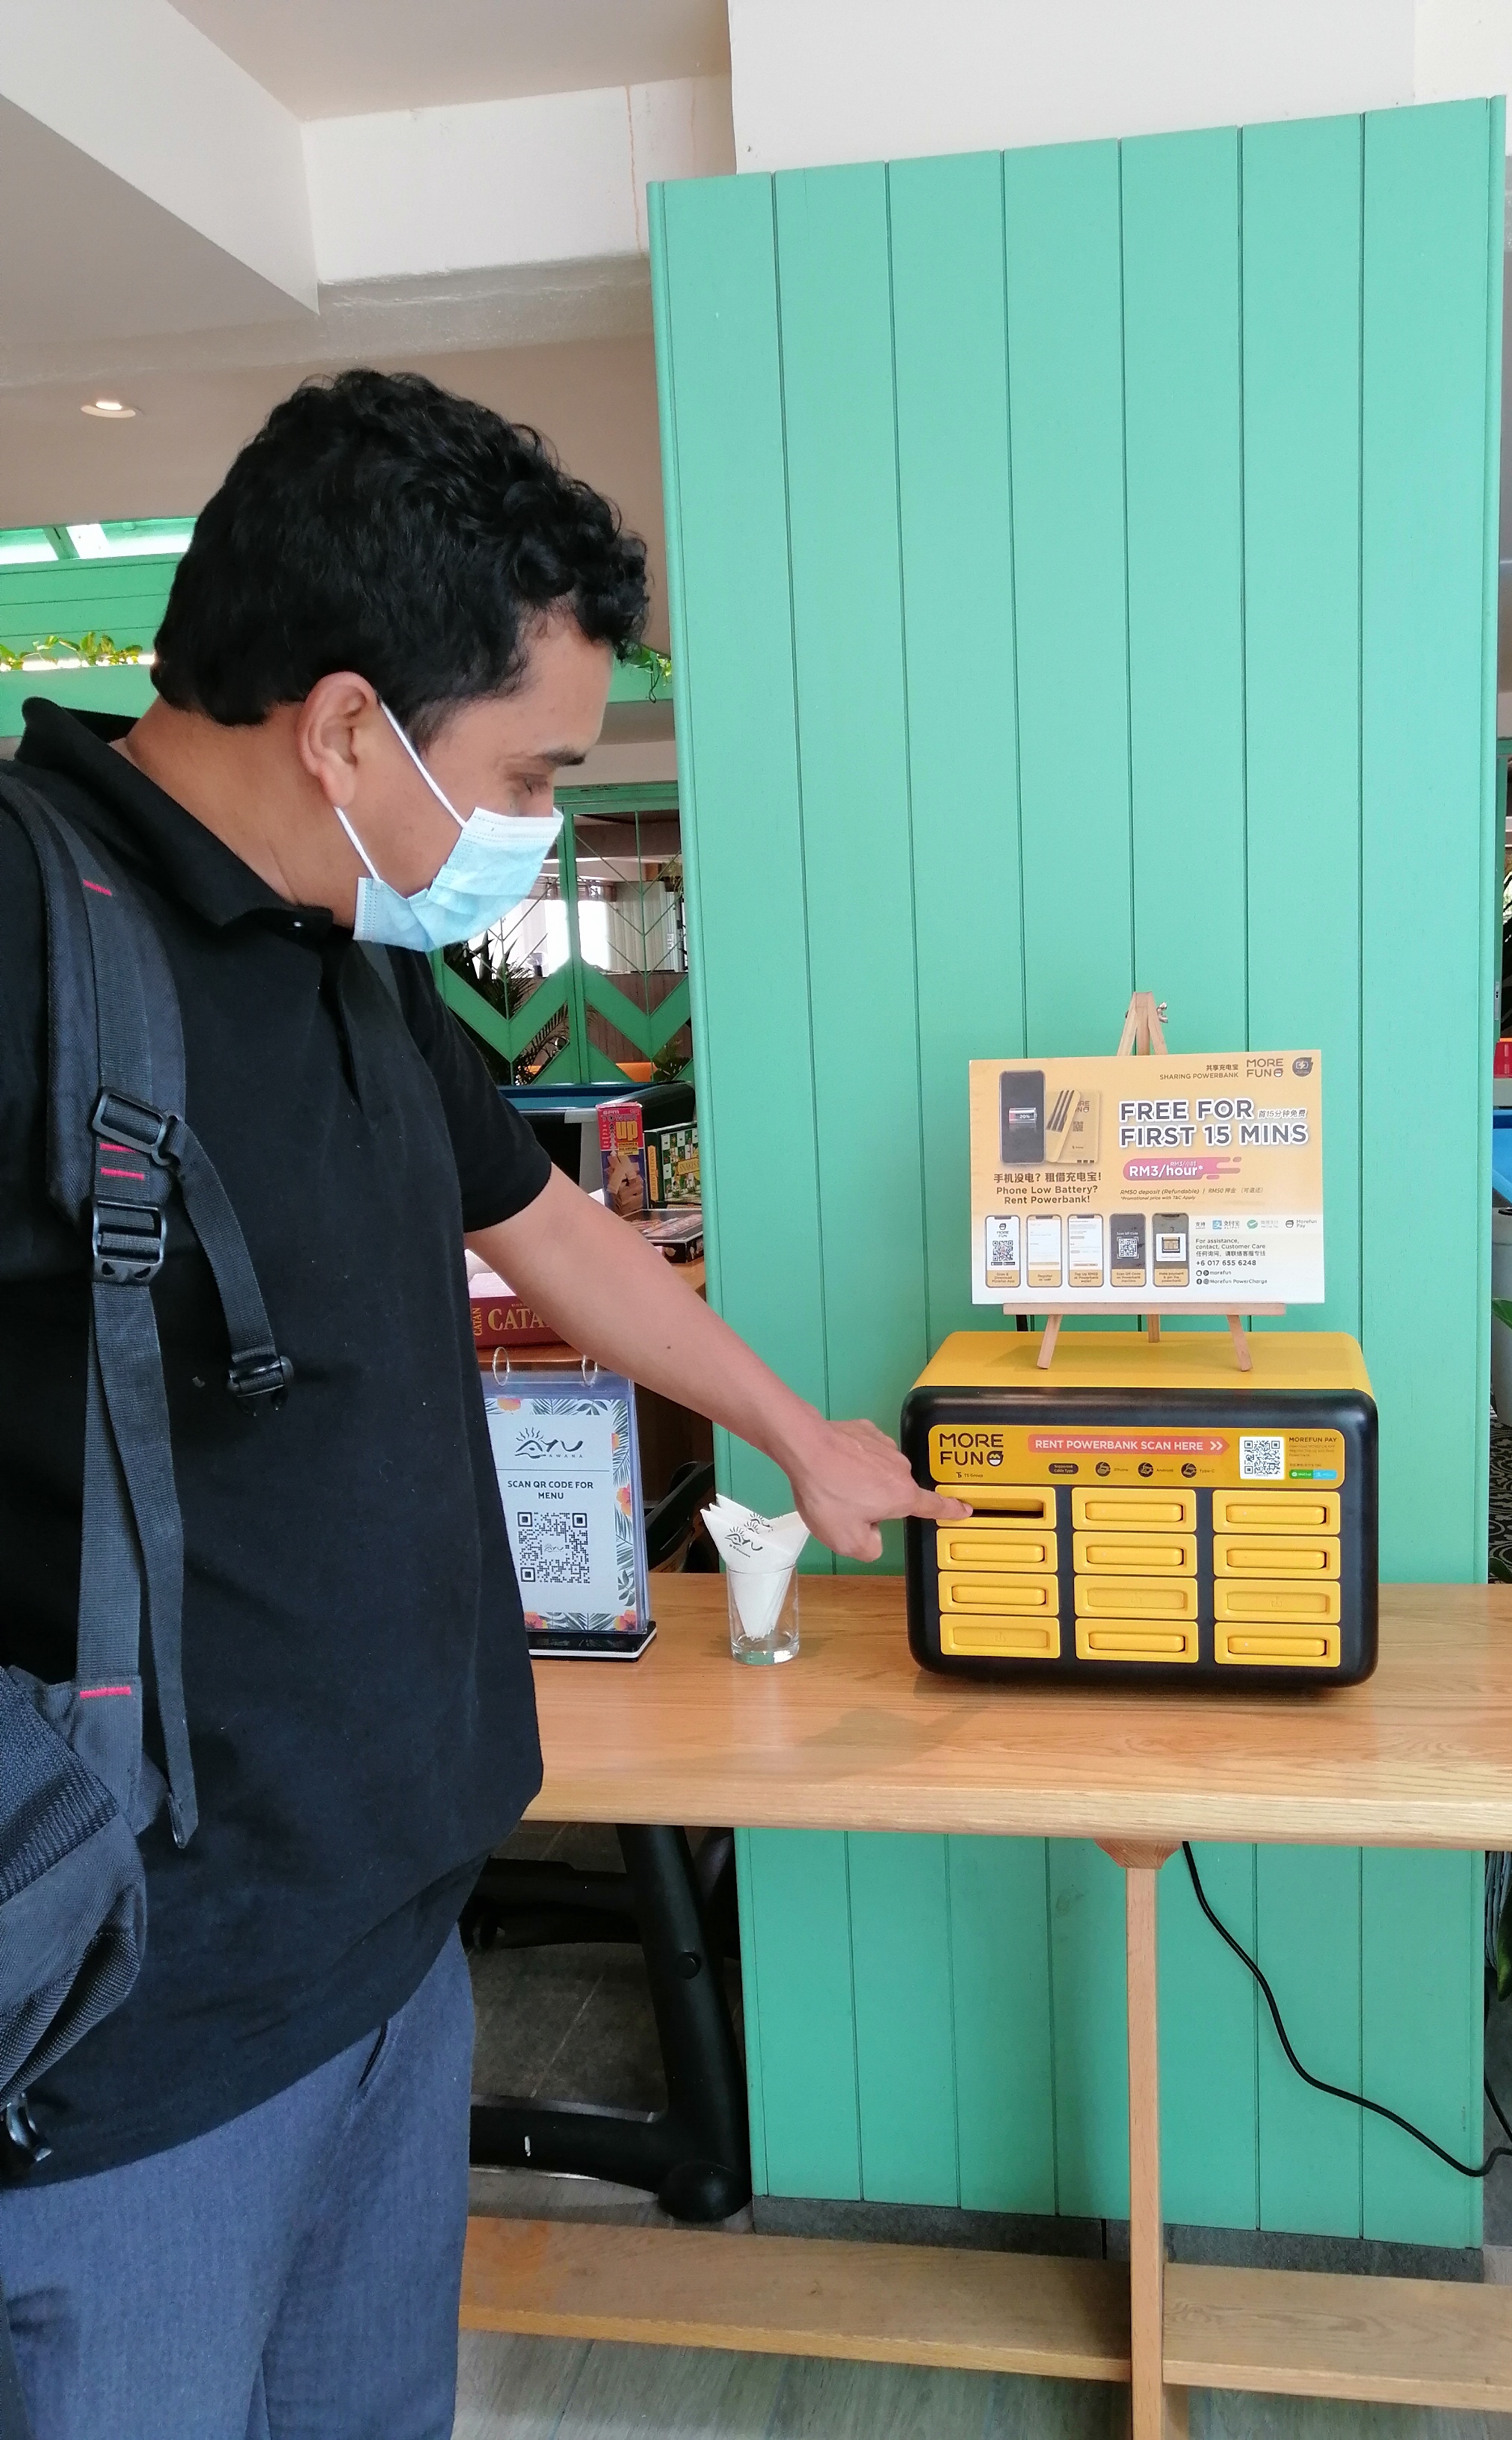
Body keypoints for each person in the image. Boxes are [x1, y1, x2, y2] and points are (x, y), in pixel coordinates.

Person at [0, 370, 965, 2439]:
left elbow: (546, 1227)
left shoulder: (350, 943)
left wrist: (799, 1435)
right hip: (126, 2048)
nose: (535, 826)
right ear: (348, 728)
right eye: (527, 772)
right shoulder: (25, 936)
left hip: (390, 1948)